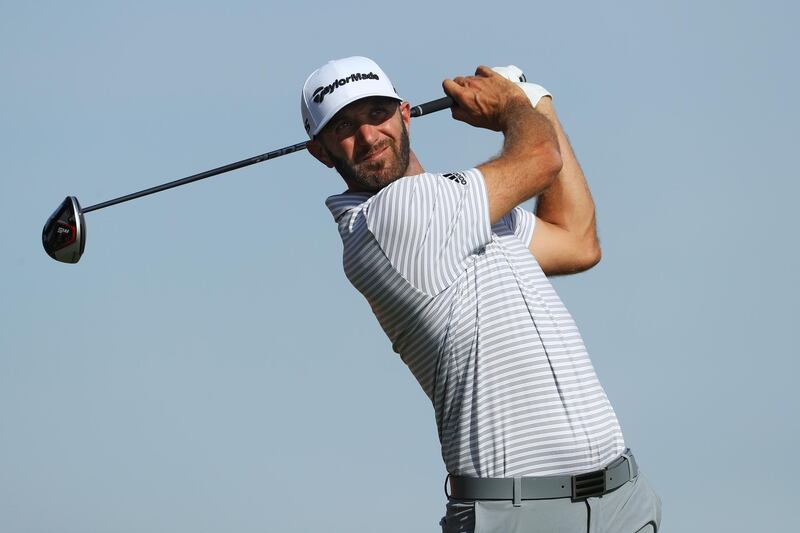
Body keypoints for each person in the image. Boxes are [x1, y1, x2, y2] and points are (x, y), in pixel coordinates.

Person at [301, 56, 661, 533]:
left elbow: (576, 240)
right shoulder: (389, 217)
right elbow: (540, 159)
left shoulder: (464, 209)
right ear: (321, 152)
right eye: (344, 126)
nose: (368, 136)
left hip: (621, 500)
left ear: (404, 114)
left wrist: (538, 105)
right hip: (516, 516)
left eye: (376, 113)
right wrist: (515, 104)